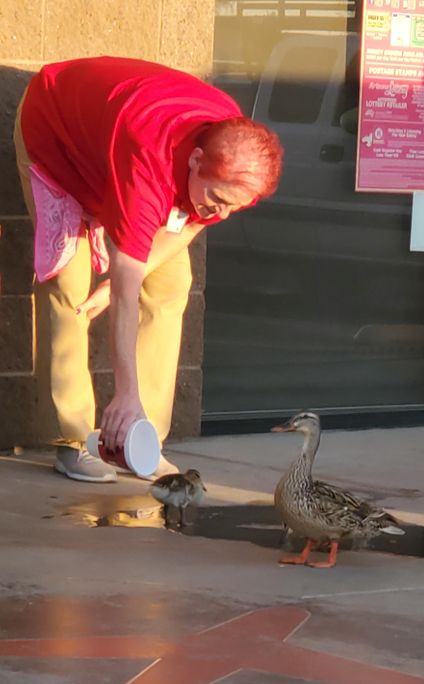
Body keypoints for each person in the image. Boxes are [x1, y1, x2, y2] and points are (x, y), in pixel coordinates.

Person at [13, 56, 283, 483]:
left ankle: (139, 437)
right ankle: (74, 438)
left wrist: (127, 277)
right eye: (218, 199)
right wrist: (124, 390)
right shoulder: (149, 163)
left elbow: (192, 221)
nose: (223, 215)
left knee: (172, 284)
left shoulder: (228, 149)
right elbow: (125, 291)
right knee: (71, 287)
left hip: (114, 147)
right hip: (58, 136)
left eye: (236, 206)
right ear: (195, 161)